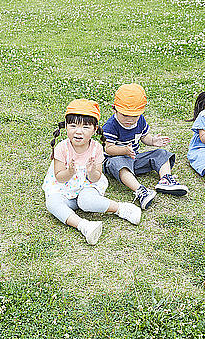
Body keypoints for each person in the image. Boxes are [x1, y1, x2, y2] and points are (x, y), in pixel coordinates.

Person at [42, 99, 142, 245]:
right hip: (63, 190)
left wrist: (90, 171)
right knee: (52, 203)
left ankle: (121, 209)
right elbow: (59, 177)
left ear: (95, 129)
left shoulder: (96, 149)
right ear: (66, 126)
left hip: (87, 188)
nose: (78, 131)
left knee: (86, 201)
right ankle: (84, 226)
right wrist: (69, 171)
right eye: (73, 125)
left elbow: (95, 178)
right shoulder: (62, 148)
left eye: (85, 127)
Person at [102, 84, 188, 210]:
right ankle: (141, 191)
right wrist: (124, 150)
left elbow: (144, 137)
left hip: (134, 158)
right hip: (116, 159)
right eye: (125, 115)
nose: (130, 120)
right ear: (114, 109)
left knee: (161, 153)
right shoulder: (110, 126)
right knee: (117, 164)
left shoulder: (140, 120)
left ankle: (166, 180)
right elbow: (108, 148)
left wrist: (153, 141)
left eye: (134, 116)